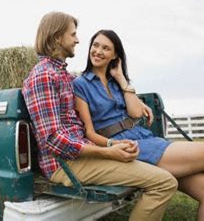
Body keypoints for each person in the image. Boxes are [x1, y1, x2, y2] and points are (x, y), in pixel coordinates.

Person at [73, 29, 204, 221]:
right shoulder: (81, 84)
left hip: (143, 137)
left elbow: (135, 113)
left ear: (115, 54)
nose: (98, 51)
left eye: (106, 48)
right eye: (95, 45)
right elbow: (89, 132)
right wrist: (112, 146)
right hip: (124, 145)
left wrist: (121, 78)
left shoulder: (117, 82)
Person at [22, 12, 178, 221]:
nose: (78, 40)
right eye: (73, 34)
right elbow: (54, 139)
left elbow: (90, 85)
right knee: (164, 183)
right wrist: (109, 152)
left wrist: (137, 101)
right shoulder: (43, 75)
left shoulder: (61, 74)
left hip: (82, 156)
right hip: (65, 165)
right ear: (58, 37)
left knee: (164, 179)